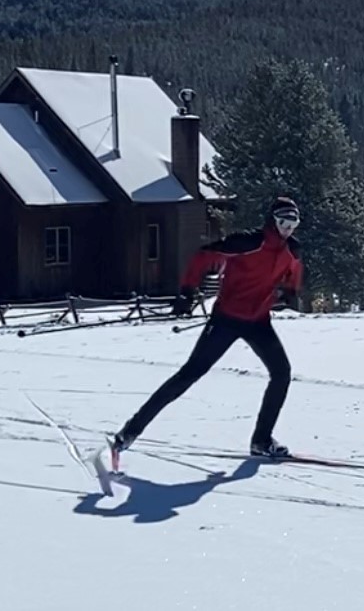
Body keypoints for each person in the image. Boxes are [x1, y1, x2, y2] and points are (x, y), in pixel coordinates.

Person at [110, 196, 304, 464]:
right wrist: (187, 291)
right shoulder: (247, 243)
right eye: (283, 221)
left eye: (293, 222)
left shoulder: (292, 249)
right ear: (273, 220)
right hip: (226, 319)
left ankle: (261, 441)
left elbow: (294, 269)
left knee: (281, 373)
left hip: (258, 321)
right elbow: (203, 257)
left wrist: (290, 292)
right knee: (189, 375)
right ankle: (129, 432)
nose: (288, 228)